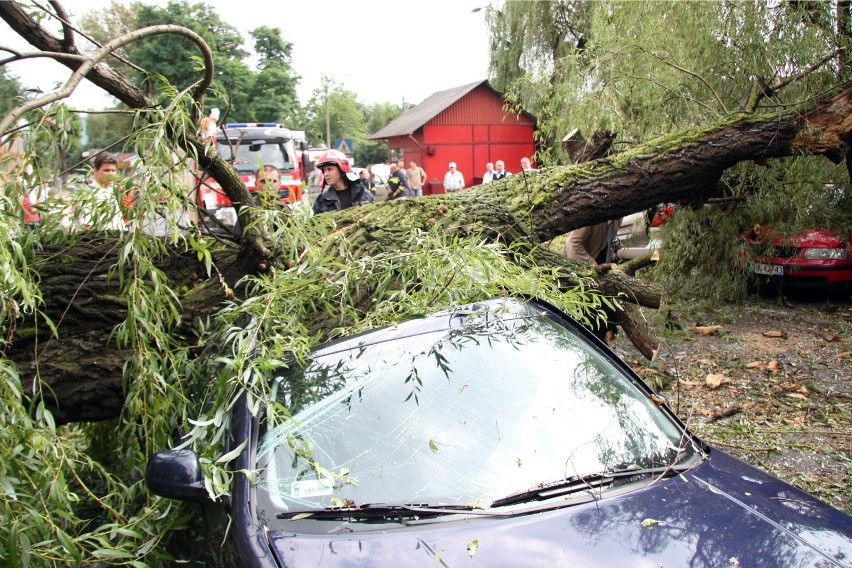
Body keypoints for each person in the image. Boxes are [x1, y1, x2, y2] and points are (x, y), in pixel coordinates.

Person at [76, 152, 129, 231]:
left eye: (113, 170)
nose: (111, 174)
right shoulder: (89, 194)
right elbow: (87, 227)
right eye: (106, 170)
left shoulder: (114, 191)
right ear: (95, 170)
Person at [312, 149, 374, 214]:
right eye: (324, 170)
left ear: (342, 169)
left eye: (329, 169)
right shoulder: (322, 202)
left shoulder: (362, 193)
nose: (325, 174)